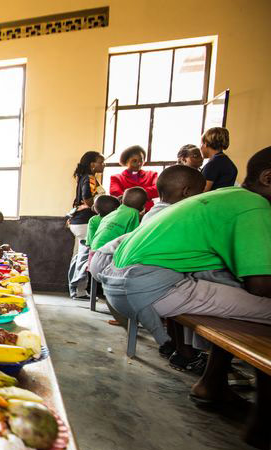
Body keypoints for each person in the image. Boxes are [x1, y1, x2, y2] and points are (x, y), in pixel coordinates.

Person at [99, 146, 271, 413]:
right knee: (260, 307)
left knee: (230, 292)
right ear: (268, 178)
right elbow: (260, 285)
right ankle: (262, 418)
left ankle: (212, 383)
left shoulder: (224, 196)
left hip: (119, 281)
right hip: (149, 287)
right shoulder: (254, 206)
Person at [67, 151, 105, 297]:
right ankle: (79, 290)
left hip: (78, 221)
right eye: (101, 162)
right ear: (92, 165)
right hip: (84, 222)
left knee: (78, 255)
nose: (103, 165)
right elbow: (88, 199)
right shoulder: (89, 178)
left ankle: (75, 288)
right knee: (84, 256)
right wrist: (99, 206)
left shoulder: (83, 177)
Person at [141, 164, 206, 224]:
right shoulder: (182, 217)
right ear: (186, 192)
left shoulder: (149, 215)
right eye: (200, 191)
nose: (202, 195)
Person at [89, 187, 147, 251]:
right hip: (107, 253)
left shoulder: (114, 212)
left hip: (94, 250)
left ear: (122, 201)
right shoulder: (133, 213)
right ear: (142, 206)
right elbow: (132, 237)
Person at [110, 145, 158, 211]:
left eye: (141, 160)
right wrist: (143, 193)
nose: (139, 163)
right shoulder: (116, 178)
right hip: (127, 212)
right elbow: (116, 194)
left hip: (148, 212)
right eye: (134, 161)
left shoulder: (152, 174)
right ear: (126, 162)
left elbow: (157, 190)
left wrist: (129, 193)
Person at [201, 127, 238, 192]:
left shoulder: (213, 164)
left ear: (206, 144)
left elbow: (202, 191)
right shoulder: (228, 162)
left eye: (201, 143)